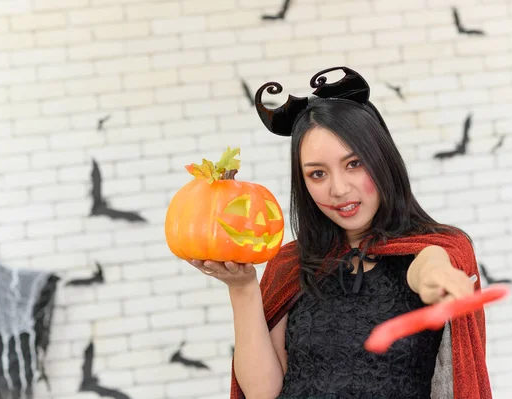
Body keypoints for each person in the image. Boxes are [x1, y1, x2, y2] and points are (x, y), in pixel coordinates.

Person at [190, 66, 491, 399]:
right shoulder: (290, 267)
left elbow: (429, 264)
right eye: (317, 174)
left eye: (354, 164)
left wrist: (438, 276)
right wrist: (243, 287)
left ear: (382, 160)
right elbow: (264, 392)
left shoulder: (433, 249)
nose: (338, 189)